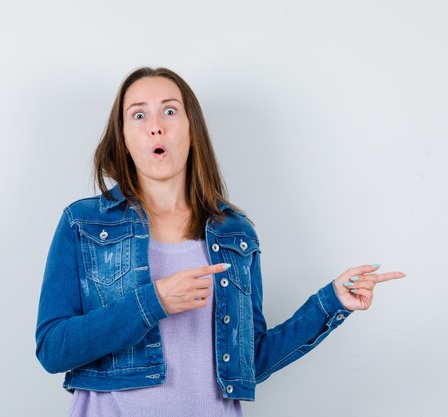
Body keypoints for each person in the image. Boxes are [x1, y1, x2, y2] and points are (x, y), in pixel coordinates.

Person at [35, 66, 406, 417]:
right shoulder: (83, 224)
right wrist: (155, 301)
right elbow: (52, 349)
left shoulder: (235, 233)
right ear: (124, 139)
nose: (155, 128)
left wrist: (330, 303)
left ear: (191, 129)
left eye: (169, 111)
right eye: (138, 115)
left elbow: (251, 360)